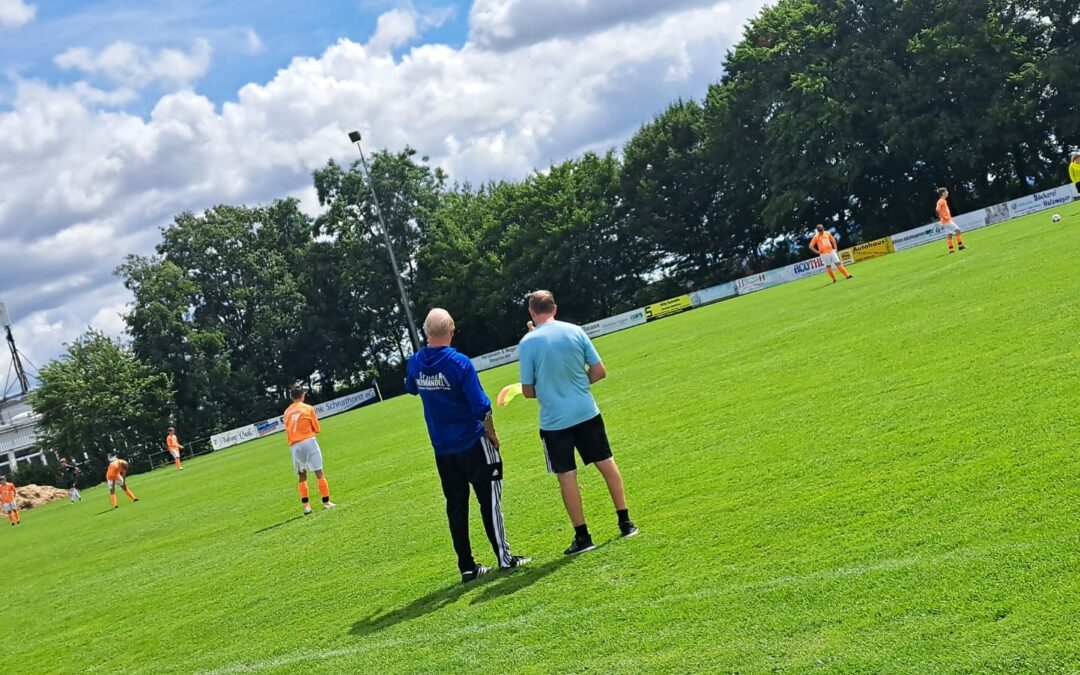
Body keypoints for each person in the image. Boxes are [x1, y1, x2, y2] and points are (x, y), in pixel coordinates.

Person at [405, 308, 531, 583]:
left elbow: (412, 387)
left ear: (426, 333)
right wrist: (492, 433)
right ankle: (504, 558)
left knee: (456, 507)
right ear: (451, 332)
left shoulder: (415, 362)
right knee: (490, 501)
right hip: (473, 443)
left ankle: (467, 566)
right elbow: (481, 406)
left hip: (442, 449)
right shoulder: (459, 362)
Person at [519, 290, 637, 556]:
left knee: (567, 476)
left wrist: (550, 388)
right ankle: (625, 522)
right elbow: (599, 371)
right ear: (555, 308)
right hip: (586, 411)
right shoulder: (575, 331)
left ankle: (583, 537)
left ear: (531, 312)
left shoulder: (528, 343)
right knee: (606, 463)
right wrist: (577, 385)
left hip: (555, 422)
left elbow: (527, 390)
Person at [283, 386, 335, 515]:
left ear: (291, 397)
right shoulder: (308, 408)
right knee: (319, 471)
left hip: (295, 445)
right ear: (302, 395)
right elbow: (317, 429)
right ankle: (326, 502)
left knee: (302, 475)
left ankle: (306, 506)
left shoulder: (287, 412)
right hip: (308, 440)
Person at [936, 188, 966, 253]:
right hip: (946, 221)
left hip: (945, 221)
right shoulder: (941, 201)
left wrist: (943, 216)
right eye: (946, 191)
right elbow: (937, 209)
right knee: (958, 230)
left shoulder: (942, 200)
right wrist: (944, 216)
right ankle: (960, 246)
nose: (947, 192)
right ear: (943, 193)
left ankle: (951, 249)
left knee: (950, 234)